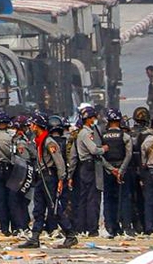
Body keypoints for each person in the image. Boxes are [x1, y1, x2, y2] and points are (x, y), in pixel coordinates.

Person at [18, 112, 78, 249]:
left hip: (50, 177)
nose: (30, 126)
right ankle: (35, 237)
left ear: (38, 126)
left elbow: (59, 162)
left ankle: (70, 235)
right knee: (38, 208)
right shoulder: (37, 141)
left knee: (54, 207)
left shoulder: (49, 142)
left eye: (32, 124)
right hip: (41, 177)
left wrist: (61, 179)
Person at [69, 106, 110, 236]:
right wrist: (103, 149)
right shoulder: (86, 133)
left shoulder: (79, 133)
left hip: (83, 168)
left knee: (83, 199)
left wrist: (70, 174)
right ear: (89, 119)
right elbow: (94, 150)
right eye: (93, 118)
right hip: (89, 167)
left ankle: (81, 227)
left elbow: (73, 156)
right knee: (93, 198)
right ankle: (92, 229)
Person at [102, 109, 134, 237]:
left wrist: (111, 169)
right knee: (125, 198)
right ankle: (126, 226)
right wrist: (121, 170)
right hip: (122, 170)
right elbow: (129, 154)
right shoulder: (125, 136)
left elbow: (99, 155)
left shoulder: (103, 136)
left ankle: (110, 226)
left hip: (108, 171)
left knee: (109, 199)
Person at [10, 115, 35, 234]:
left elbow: (24, 159)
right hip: (19, 173)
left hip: (21, 173)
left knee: (19, 201)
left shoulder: (21, 141)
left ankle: (22, 225)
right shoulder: (18, 139)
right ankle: (22, 224)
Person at [129, 107, 153, 233]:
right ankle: (147, 224)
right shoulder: (149, 134)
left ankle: (136, 223)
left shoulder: (129, 133)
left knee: (133, 197)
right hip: (145, 168)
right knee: (148, 198)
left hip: (131, 168)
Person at [0, 111, 15, 236]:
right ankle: (14, 226)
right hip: (10, 170)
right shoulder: (11, 138)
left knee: (1, 200)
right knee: (12, 199)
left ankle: (4, 227)